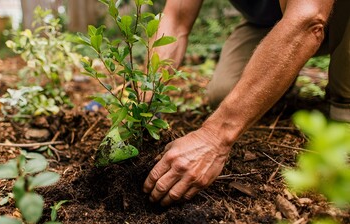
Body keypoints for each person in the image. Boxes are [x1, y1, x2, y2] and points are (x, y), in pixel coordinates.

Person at [143, 0, 350, 206]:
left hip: (326, 15)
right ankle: (285, 68)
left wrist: (215, 136)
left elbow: (308, 18)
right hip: (272, 23)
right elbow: (176, 20)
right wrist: (147, 97)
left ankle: (344, 106)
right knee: (225, 92)